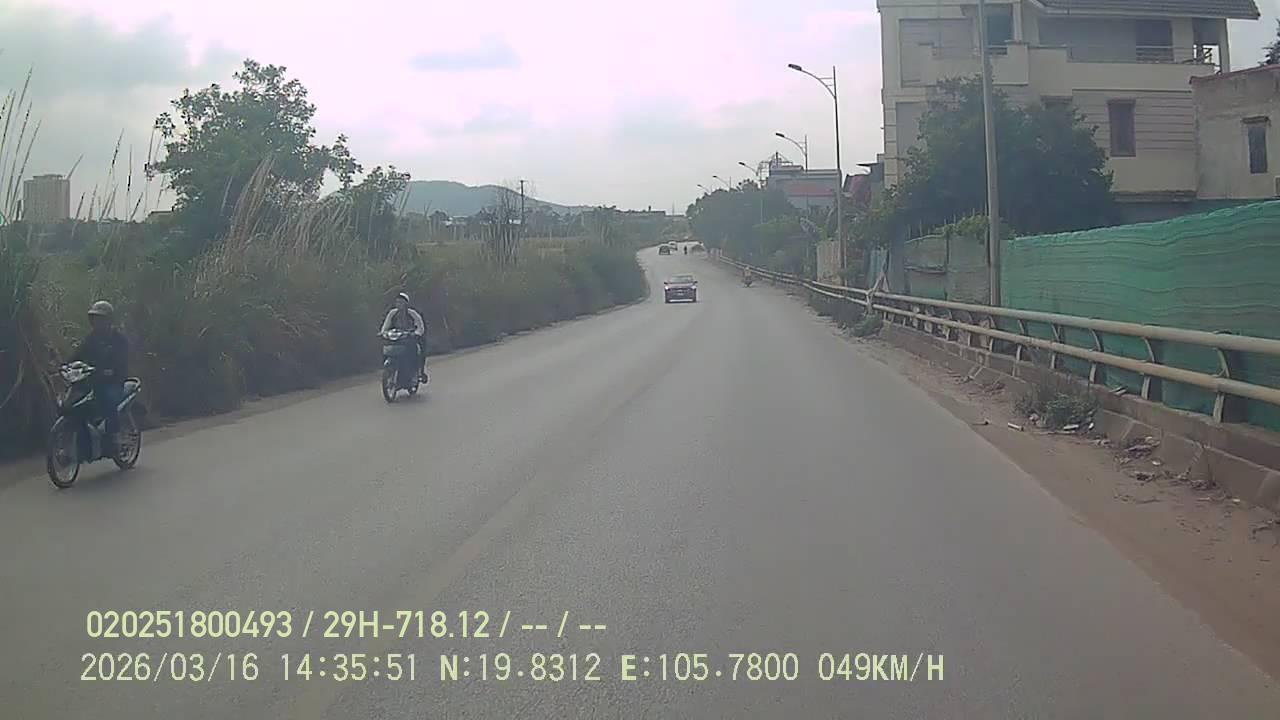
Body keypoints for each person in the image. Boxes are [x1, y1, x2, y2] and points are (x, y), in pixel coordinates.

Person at [69, 301, 129, 456]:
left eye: (101, 318)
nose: (97, 322)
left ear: (109, 320)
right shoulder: (91, 339)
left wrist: (111, 371)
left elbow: (123, 362)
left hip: (114, 383)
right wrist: (66, 365)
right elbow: (78, 354)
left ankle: (114, 437)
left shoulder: (119, 340)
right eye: (95, 319)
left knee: (108, 400)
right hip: (93, 381)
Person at [380, 292, 428, 382]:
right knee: (386, 348)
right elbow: (385, 326)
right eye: (397, 302)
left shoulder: (412, 314)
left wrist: (416, 334)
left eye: (401, 302)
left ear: (406, 303)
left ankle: (419, 372)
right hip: (396, 338)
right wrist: (383, 333)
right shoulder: (392, 313)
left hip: (409, 338)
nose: (398, 304)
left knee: (418, 349)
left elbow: (420, 327)